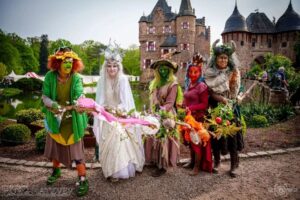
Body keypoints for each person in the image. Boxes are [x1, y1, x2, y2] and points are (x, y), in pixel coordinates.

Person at [93, 42, 144, 181]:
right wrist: (102, 110)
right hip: (106, 115)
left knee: (119, 140)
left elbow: (125, 101)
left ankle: (119, 170)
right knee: (107, 141)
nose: (111, 69)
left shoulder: (122, 79)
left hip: (119, 115)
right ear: (105, 67)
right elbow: (100, 100)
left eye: (115, 66)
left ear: (119, 67)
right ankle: (109, 168)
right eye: (109, 66)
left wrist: (116, 112)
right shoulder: (102, 80)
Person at [42, 46, 89, 196]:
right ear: (57, 63)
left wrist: (79, 101)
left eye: (71, 62)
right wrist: (53, 104)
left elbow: (79, 93)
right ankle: (56, 171)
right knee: (55, 149)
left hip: (72, 120)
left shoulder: (76, 78)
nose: (68, 65)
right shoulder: (50, 76)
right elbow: (45, 97)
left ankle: (82, 179)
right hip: (55, 119)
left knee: (77, 153)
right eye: (65, 62)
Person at [204, 39, 244, 178]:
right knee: (215, 135)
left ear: (229, 59)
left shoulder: (234, 72)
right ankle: (217, 162)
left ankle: (234, 164)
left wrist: (238, 97)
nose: (223, 60)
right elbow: (210, 91)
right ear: (216, 59)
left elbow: (239, 88)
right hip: (216, 106)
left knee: (232, 134)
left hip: (231, 107)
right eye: (220, 57)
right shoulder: (210, 73)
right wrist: (221, 99)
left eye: (225, 58)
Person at [144, 58, 183, 177]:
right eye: (160, 69)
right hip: (155, 113)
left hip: (166, 114)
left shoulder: (173, 84)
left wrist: (160, 113)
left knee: (164, 138)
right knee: (152, 136)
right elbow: (153, 99)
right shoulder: (155, 83)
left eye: (165, 69)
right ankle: (155, 160)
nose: (163, 72)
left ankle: (163, 165)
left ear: (170, 71)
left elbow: (170, 103)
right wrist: (152, 112)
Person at [182, 53, 212, 175]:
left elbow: (204, 104)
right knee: (190, 140)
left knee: (197, 141)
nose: (193, 74)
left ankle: (197, 166)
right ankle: (192, 160)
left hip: (198, 118)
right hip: (189, 117)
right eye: (191, 72)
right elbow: (187, 99)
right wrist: (182, 104)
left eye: (196, 72)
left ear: (200, 73)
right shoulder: (189, 84)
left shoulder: (202, 86)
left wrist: (191, 107)